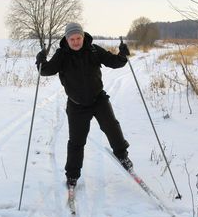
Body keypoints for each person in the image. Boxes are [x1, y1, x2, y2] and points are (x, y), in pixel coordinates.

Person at [35, 22, 133, 188]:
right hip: (76, 105)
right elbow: (46, 70)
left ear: (82, 36)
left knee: (112, 127)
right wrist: (41, 60)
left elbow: (113, 62)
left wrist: (123, 55)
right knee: (76, 142)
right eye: (72, 39)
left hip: (98, 99)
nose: (75, 42)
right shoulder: (62, 55)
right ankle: (72, 176)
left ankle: (123, 157)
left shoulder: (93, 50)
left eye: (78, 38)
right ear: (67, 40)